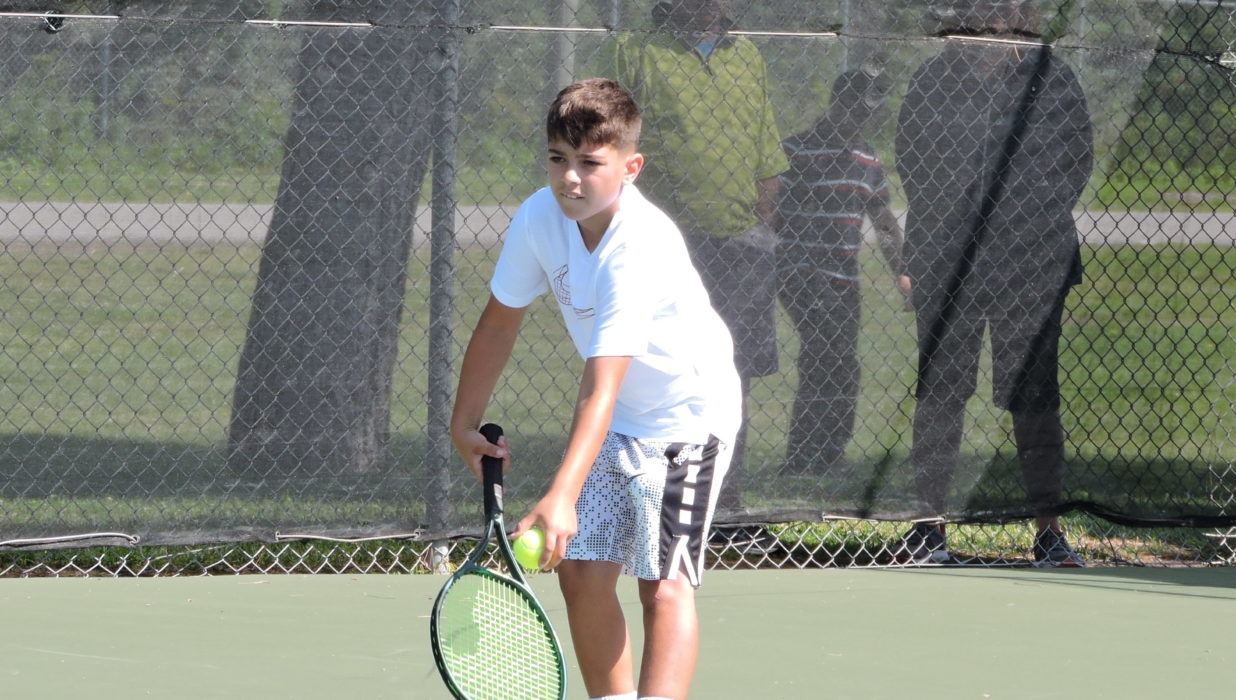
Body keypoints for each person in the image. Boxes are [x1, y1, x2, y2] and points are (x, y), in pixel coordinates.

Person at [450, 78, 741, 700]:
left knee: (663, 584)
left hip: (687, 419)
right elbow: (500, 320)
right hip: (619, 418)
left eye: (590, 163)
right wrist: (464, 422)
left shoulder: (639, 246)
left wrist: (562, 495)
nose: (570, 179)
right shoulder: (538, 216)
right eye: (558, 158)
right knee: (580, 572)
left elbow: (600, 385)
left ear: (630, 167)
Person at [892, 0, 1094, 566]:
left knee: (1034, 397)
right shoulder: (935, 77)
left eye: (1006, 7)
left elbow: (1077, 160)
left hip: (1032, 261)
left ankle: (1049, 534)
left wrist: (1025, 226)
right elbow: (915, 162)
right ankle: (928, 529)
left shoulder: (1051, 74)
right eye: (983, 6)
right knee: (940, 394)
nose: (995, 15)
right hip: (947, 262)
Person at [609, 0, 789, 546]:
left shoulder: (748, 55)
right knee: (648, 370)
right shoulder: (636, 51)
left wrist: (763, 220)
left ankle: (724, 509)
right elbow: (607, 144)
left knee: (731, 371)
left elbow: (767, 151)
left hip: (741, 244)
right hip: (665, 245)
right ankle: (645, 500)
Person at [775, 70, 907, 482]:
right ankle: (802, 458)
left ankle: (828, 455)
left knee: (843, 364)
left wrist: (903, 271)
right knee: (823, 354)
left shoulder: (868, 161)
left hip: (842, 276)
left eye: (866, 114)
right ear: (835, 105)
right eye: (851, 109)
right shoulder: (796, 150)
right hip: (800, 269)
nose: (858, 120)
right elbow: (771, 209)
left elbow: (883, 221)